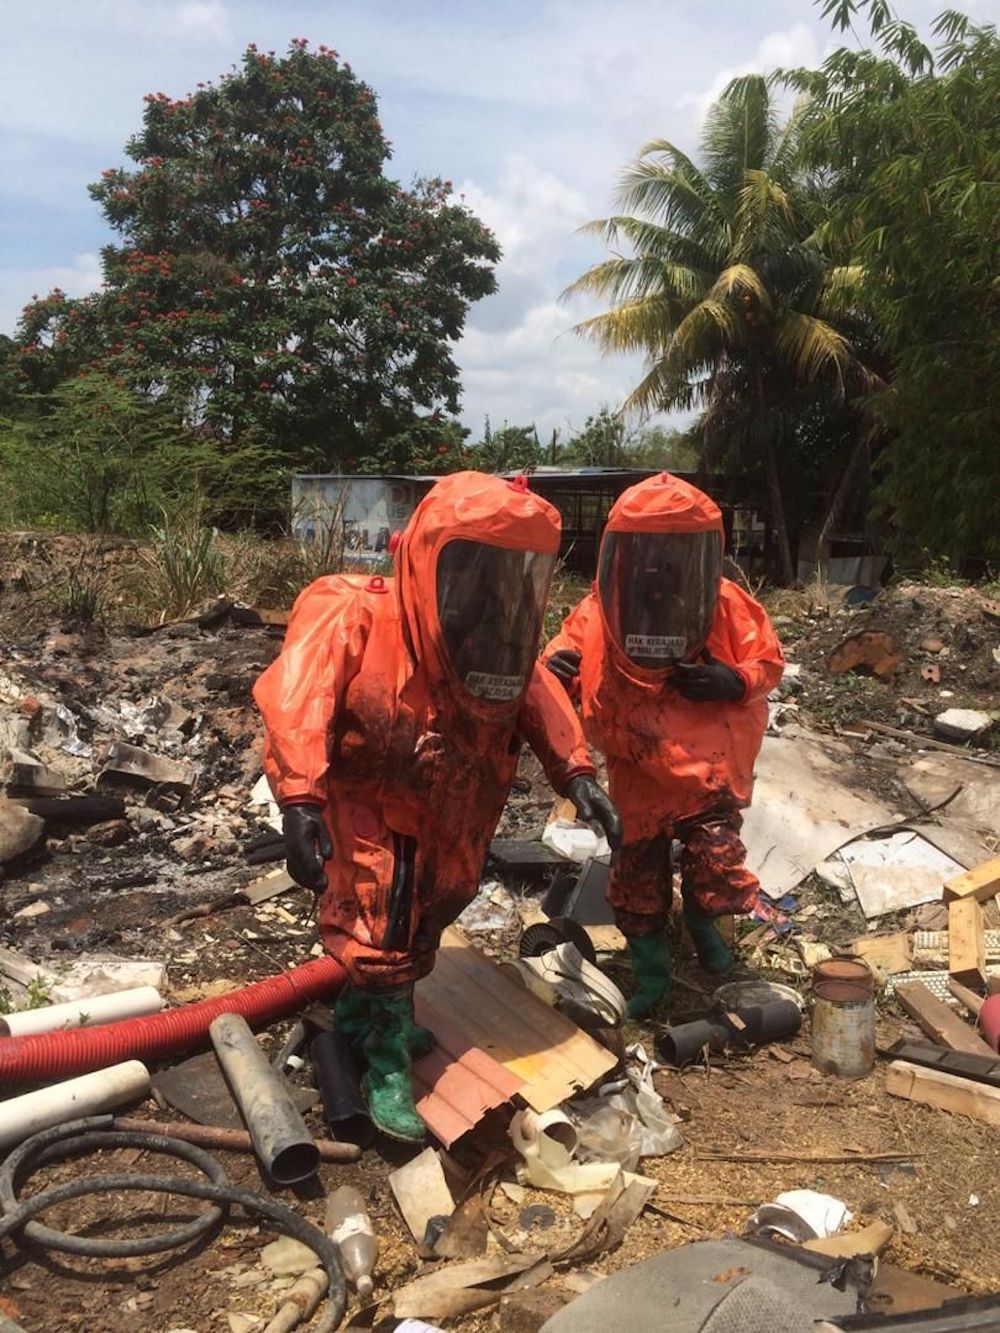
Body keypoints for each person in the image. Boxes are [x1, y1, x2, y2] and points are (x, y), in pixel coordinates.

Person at [254, 472, 621, 1142]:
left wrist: (576, 774)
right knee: (384, 923)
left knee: (435, 909)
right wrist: (300, 798)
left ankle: (366, 1014)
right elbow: (299, 696)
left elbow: (538, 693)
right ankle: (386, 1062)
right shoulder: (354, 615)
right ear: (428, 557)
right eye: (474, 568)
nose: (490, 587)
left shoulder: (498, 634)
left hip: (457, 806)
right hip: (374, 805)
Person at [543, 472, 783, 1018]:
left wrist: (733, 681)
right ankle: (651, 976)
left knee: (716, 867)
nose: (657, 564)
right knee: (636, 881)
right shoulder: (600, 609)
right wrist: (556, 668)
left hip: (706, 771)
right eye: (645, 550)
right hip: (637, 774)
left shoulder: (727, 605)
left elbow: (767, 660)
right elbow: (562, 654)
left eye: (672, 551)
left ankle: (703, 926)